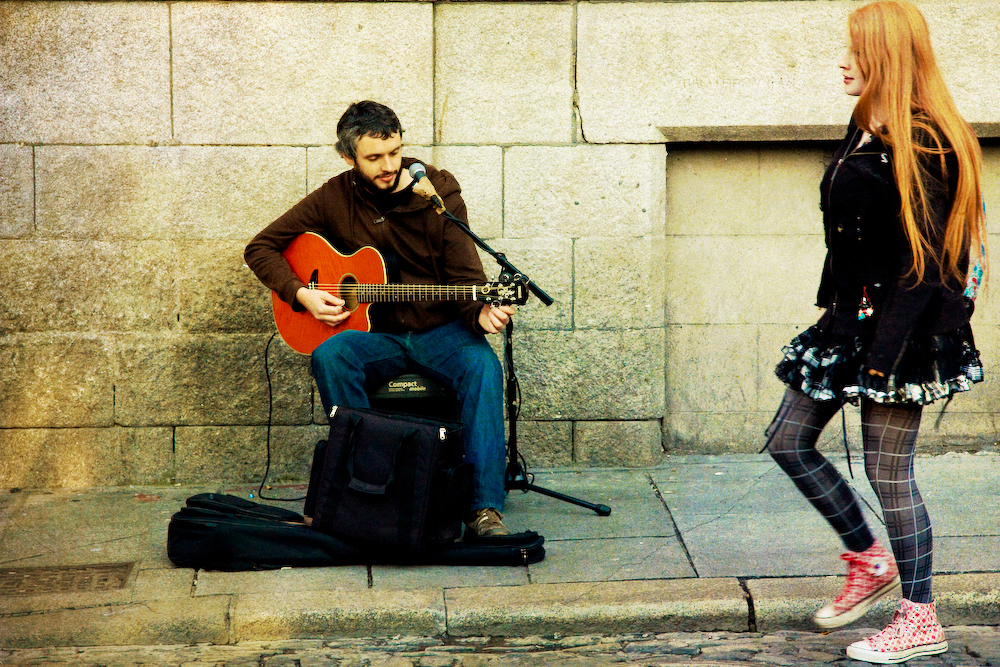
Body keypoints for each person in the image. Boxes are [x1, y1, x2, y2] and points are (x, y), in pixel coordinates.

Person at [764, 2, 986, 663]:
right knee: (788, 439)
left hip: (901, 331)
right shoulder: (868, 126)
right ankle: (868, 558)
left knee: (891, 474)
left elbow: (925, 270)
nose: (842, 61)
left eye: (854, 51)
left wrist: (884, 363)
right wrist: (839, 321)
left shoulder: (924, 143)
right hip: (850, 319)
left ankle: (920, 617)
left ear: (886, 57)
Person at [245, 100, 515, 538]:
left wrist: (479, 311)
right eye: (374, 158)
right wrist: (303, 295)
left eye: (395, 152)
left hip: (440, 332)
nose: (390, 165)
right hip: (376, 337)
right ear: (349, 157)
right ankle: (365, 490)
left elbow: (466, 273)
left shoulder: (436, 190)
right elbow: (260, 248)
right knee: (331, 356)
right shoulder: (335, 197)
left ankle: (483, 508)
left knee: (483, 368)